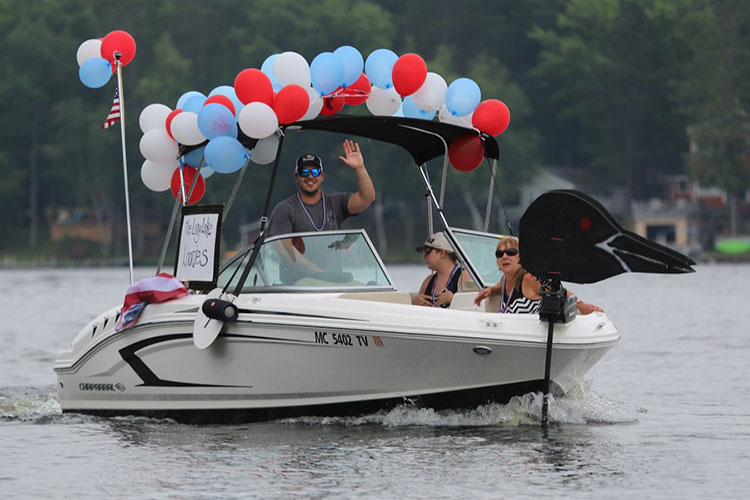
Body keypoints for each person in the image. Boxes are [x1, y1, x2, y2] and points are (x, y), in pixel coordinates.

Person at [266, 140, 375, 236]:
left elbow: (366, 198)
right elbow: (283, 249)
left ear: (322, 176)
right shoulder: (285, 209)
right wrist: (307, 261)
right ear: (296, 177)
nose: (310, 176)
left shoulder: (336, 202)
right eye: (304, 173)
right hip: (300, 260)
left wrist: (359, 168)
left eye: (315, 172)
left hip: (333, 259)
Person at [473, 236, 603, 315]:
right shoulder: (504, 281)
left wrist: (582, 305)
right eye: (499, 254)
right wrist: (490, 290)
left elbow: (558, 291)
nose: (505, 256)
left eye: (510, 252)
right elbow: (500, 286)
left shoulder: (529, 279)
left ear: (521, 257)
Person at [412, 232, 471, 308]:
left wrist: (452, 299)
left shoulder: (464, 276)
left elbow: (472, 306)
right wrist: (414, 302)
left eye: (427, 252)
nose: (424, 257)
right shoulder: (428, 281)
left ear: (442, 253)